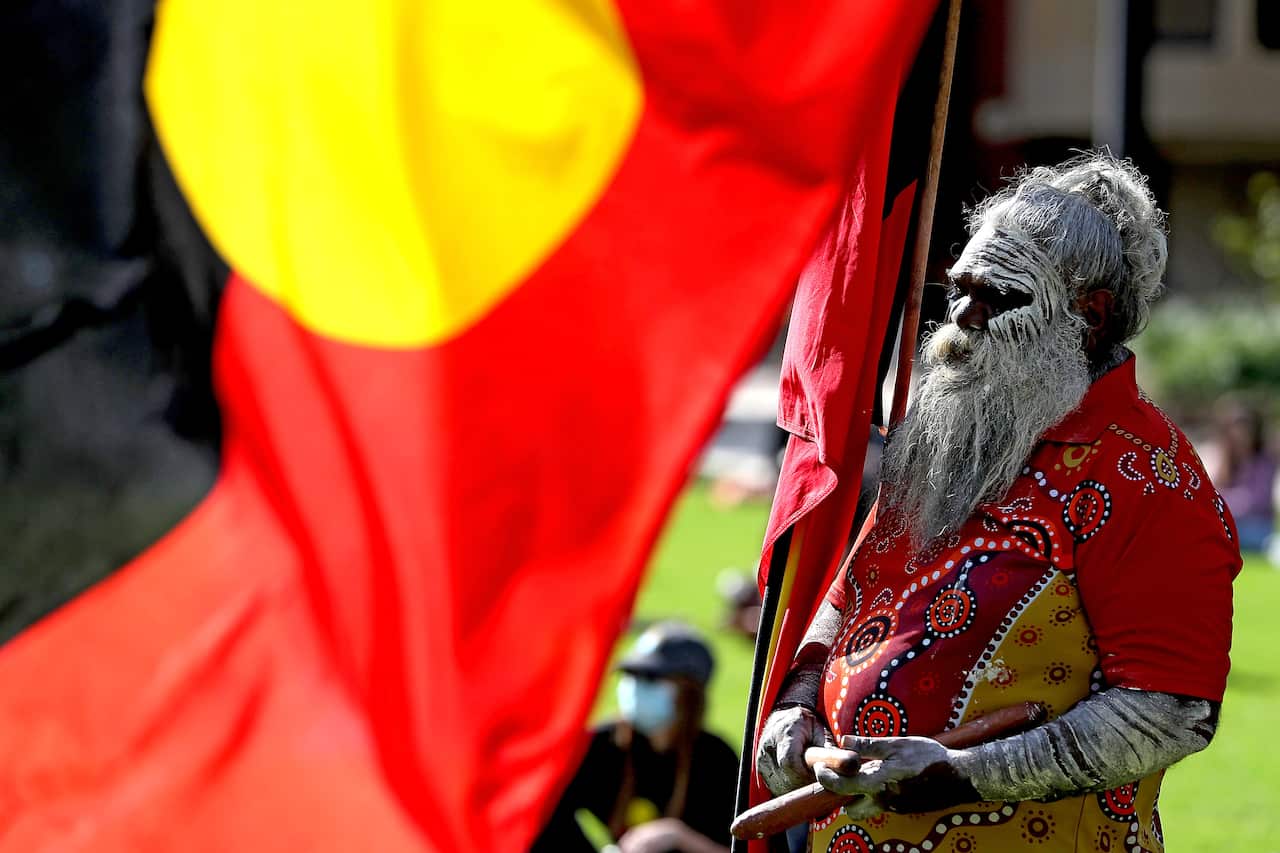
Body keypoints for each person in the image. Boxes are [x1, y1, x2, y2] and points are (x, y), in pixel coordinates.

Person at [755, 153, 1241, 852]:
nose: (958, 320)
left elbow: (1171, 709)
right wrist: (801, 697)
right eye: (956, 291)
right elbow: (853, 592)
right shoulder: (951, 428)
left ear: (1090, 317)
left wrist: (962, 774)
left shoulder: (1146, 477)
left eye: (995, 298)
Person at [533, 622, 738, 853]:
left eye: (650, 678)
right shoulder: (599, 746)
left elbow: (744, 848)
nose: (635, 688)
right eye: (631, 675)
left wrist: (680, 837)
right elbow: (540, 816)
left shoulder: (718, 762)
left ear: (689, 693)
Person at [1203, 399, 1276, 552]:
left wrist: (1224, 503)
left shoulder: (1263, 462)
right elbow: (1210, 494)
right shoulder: (1224, 459)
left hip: (1256, 526)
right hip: (1229, 523)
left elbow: (1256, 501)